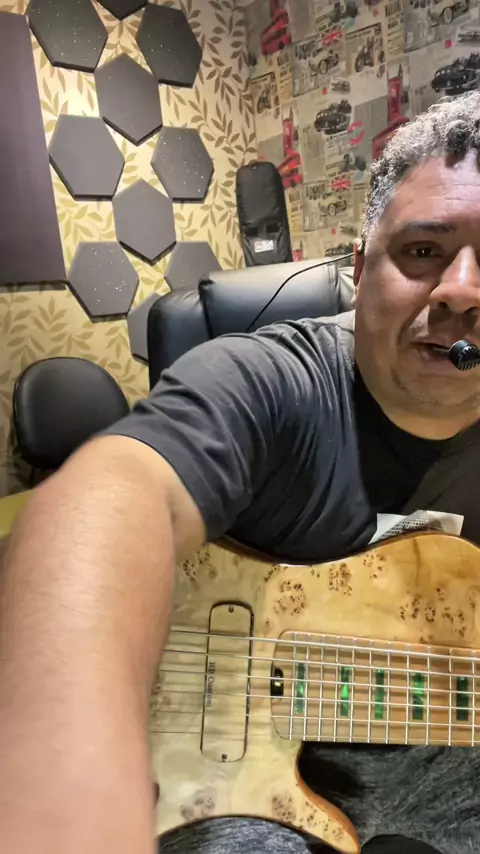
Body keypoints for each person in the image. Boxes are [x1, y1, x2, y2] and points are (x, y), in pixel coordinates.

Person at [2, 91, 480, 854]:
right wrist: (70, 786)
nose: (461, 290)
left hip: (432, 741)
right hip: (221, 771)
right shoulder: (269, 379)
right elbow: (118, 492)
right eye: (424, 251)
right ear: (361, 272)